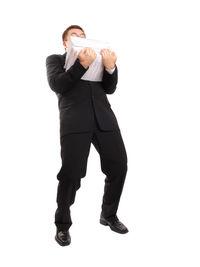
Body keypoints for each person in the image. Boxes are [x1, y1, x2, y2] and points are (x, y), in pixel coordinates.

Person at [46, 25, 129, 246]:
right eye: (75, 36)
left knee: (119, 166)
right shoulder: (55, 60)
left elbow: (109, 88)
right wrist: (81, 64)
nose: (81, 38)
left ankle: (108, 215)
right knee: (71, 175)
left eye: (83, 36)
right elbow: (58, 84)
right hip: (75, 121)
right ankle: (62, 225)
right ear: (66, 43)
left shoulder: (98, 59)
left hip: (105, 119)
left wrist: (111, 68)